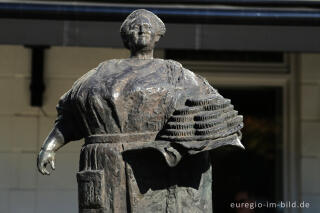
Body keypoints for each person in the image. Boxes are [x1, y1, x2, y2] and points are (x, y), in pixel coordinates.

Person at [37, 9, 244, 213]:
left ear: (157, 36)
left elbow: (216, 116)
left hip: (162, 173)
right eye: (136, 26)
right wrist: (49, 147)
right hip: (108, 166)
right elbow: (72, 115)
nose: (142, 29)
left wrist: (183, 144)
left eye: (148, 26)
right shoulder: (99, 74)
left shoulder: (179, 74)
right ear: (127, 36)